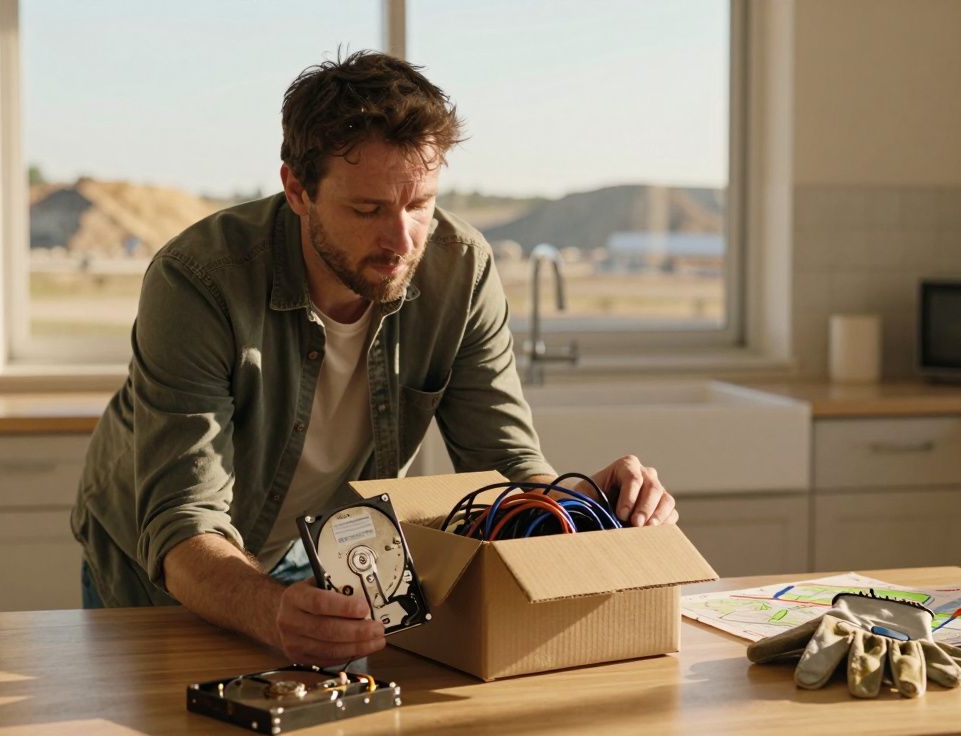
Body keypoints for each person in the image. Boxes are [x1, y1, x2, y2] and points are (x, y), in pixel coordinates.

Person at [71, 50, 678, 666]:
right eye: (368, 210)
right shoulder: (198, 279)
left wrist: (578, 506)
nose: (403, 239)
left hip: (310, 547)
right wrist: (272, 609)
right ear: (297, 190)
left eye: (421, 205)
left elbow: (505, 464)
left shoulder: (460, 271)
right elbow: (183, 520)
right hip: (161, 567)